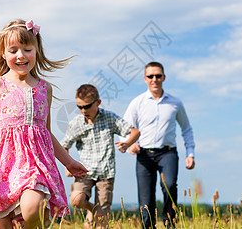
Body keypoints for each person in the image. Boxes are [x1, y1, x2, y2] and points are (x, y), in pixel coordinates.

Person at [0, 19, 88, 229]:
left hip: (35, 162)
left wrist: (68, 161)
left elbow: (45, 132)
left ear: (37, 51)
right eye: (13, 50)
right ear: (3, 53)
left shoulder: (44, 89)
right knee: (0, 224)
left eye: (27, 49)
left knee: (33, 207)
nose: (21, 55)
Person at [124, 61, 195, 229]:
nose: (154, 79)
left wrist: (190, 153)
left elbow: (186, 129)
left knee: (169, 185)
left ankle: (170, 224)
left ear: (164, 77)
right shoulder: (137, 102)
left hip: (167, 153)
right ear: (145, 78)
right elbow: (125, 127)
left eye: (158, 76)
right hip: (144, 155)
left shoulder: (175, 103)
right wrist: (130, 145)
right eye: (150, 76)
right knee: (146, 199)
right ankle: (148, 227)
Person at [60, 84, 140, 229]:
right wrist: (68, 164)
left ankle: (98, 214)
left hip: (105, 173)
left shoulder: (110, 118)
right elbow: (64, 145)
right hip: (84, 171)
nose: (83, 110)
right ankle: (93, 209)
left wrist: (127, 144)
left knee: (101, 224)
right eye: (80, 107)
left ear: (98, 102)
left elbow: (135, 132)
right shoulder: (76, 123)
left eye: (87, 106)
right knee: (76, 200)